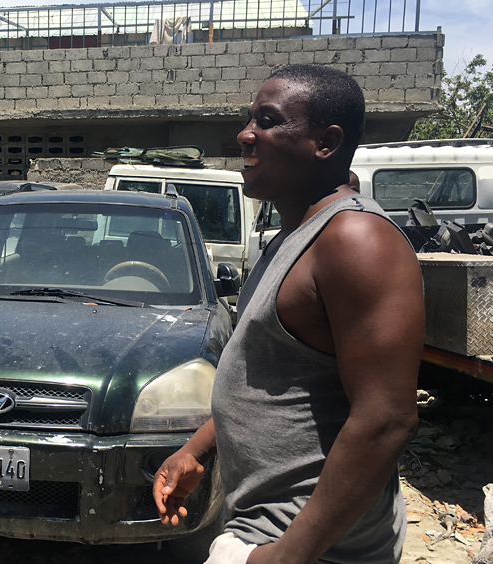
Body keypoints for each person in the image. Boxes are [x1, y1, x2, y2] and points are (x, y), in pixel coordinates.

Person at [153, 64, 424, 564]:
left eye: (268, 120)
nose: (245, 134)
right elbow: (265, 375)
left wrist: (289, 555)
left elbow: (385, 419)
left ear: (326, 142)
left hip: (310, 544)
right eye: (249, 118)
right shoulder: (293, 237)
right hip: (265, 528)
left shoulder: (355, 241)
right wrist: (196, 450)